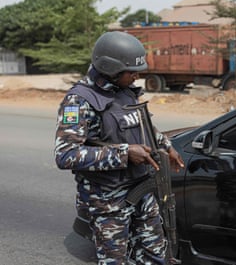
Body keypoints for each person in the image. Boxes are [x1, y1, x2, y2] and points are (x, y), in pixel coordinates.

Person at [54, 31, 184, 265]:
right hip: (108, 201)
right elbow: (66, 155)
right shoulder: (79, 101)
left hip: (141, 190)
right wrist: (124, 153)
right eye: (131, 71)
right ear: (110, 68)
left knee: (157, 256)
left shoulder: (124, 92)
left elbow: (142, 127)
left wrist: (166, 145)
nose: (136, 76)